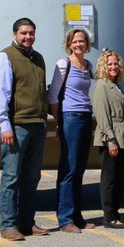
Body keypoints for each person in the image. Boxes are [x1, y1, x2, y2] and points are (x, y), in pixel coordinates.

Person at [0, 18, 49, 240]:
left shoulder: (38, 58)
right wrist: (4, 125)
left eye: (31, 33)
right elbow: (0, 93)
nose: (28, 37)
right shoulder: (5, 57)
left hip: (37, 125)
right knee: (11, 178)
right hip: (17, 127)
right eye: (24, 33)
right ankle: (8, 225)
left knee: (32, 178)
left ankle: (27, 223)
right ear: (14, 34)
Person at [48, 27, 95, 233]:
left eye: (81, 41)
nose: (78, 45)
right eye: (75, 42)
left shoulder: (88, 65)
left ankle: (77, 216)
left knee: (79, 169)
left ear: (87, 44)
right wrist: (59, 123)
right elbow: (53, 96)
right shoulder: (63, 64)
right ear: (69, 44)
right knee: (69, 169)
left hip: (86, 116)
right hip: (70, 117)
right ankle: (65, 219)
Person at [91, 49, 124, 228]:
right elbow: (102, 115)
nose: (113, 67)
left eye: (116, 64)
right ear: (103, 66)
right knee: (110, 179)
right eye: (109, 64)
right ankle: (109, 216)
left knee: (121, 177)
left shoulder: (116, 86)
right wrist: (110, 140)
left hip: (122, 135)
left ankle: (116, 213)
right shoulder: (102, 86)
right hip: (111, 137)